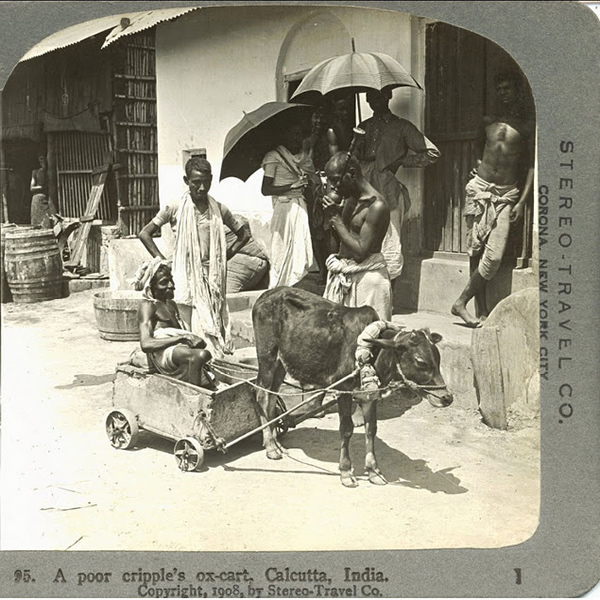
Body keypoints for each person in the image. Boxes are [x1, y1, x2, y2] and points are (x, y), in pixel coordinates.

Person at [138, 157, 248, 357]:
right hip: (185, 276)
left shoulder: (219, 209)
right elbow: (145, 233)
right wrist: (162, 261)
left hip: (212, 278)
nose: (202, 187)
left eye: (206, 182)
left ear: (212, 179)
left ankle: (212, 360)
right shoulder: (175, 207)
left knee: (214, 319)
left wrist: (222, 258)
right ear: (186, 180)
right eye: (196, 182)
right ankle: (195, 362)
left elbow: (243, 235)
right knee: (189, 322)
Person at [451, 71, 535, 327]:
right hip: (479, 189)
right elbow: (479, 148)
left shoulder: (526, 125)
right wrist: (477, 165)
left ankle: (460, 302)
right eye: (499, 89)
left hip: (505, 194)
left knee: (494, 256)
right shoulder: (487, 121)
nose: (503, 94)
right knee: (475, 250)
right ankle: (481, 309)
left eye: (507, 88)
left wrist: (521, 201)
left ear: (516, 92)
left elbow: (531, 165)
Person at [355, 88, 440, 284]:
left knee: (390, 243)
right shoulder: (363, 126)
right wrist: (357, 144)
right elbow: (354, 161)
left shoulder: (402, 127)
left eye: (378, 96)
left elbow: (433, 153)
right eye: (369, 97)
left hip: (388, 192)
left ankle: (389, 295)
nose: (373, 101)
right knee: (363, 241)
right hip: (364, 191)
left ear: (388, 97)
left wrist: (401, 162)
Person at [321, 152, 392, 321]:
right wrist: (330, 220)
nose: (334, 186)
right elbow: (340, 246)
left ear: (351, 174)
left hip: (369, 281)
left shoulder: (377, 206)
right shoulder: (350, 200)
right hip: (345, 275)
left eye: (337, 180)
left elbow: (361, 253)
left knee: (368, 340)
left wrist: (337, 220)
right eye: (330, 181)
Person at [135, 260, 215, 388]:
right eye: (164, 283)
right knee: (201, 355)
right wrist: (184, 338)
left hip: (175, 349)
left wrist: (189, 340)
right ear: (151, 288)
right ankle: (193, 396)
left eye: (171, 280)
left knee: (206, 354)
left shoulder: (170, 304)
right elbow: (146, 344)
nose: (171, 285)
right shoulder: (148, 306)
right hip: (161, 353)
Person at [261, 121, 319, 288]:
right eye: (293, 135)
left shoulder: (305, 159)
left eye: (300, 135)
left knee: (299, 252)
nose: (297, 139)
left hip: (300, 206)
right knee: (281, 250)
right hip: (283, 208)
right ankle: (278, 288)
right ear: (284, 136)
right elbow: (265, 189)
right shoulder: (274, 157)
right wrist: (290, 186)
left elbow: (313, 181)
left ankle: (294, 288)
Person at [30, 154, 57, 228]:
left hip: (47, 199)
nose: (42, 161)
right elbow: (32, 188)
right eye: (40, 159)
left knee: (47, 223)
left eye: (44, 159)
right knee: (36, 223)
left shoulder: (51, 172)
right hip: (37, 199)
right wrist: (42, 187)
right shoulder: (35, 172)